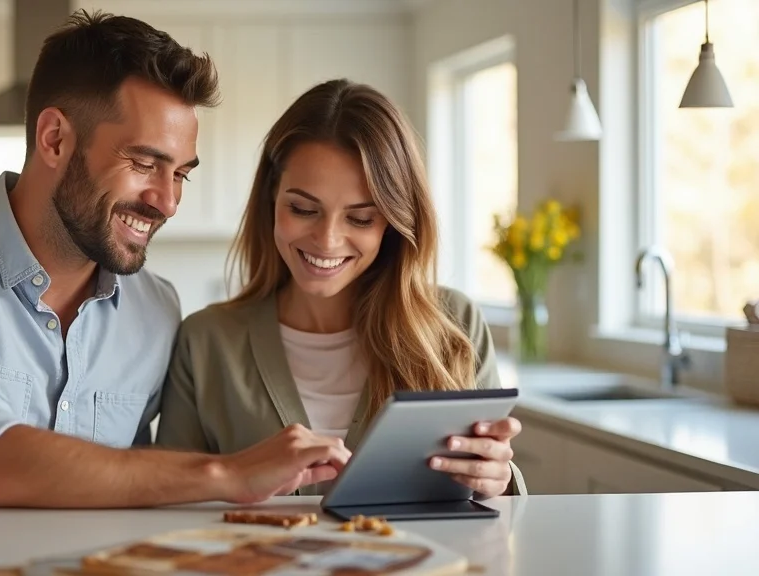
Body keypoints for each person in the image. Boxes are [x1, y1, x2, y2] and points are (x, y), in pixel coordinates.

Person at [0, 11, 350, 576]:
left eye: (181, 174)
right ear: (55, 139)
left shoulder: (156, 308)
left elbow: (138, 492)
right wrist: (228, 474)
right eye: (145, 163)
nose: (167, 201)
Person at [155, 78, 527, 499]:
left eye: (361, 218)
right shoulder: (205, 343)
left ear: (394, 223)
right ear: (270, 200)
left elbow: (492, 512)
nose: (327, 241)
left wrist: (498, 480)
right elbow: (171, 505)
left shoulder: (453, 324)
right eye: (303, 209)